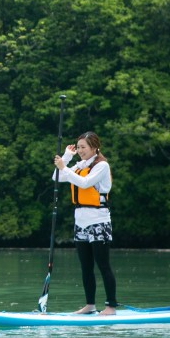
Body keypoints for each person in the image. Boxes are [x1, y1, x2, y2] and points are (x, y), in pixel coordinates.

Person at [54, 131, 117, 315]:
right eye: (78, 147)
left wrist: (64, 168)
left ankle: (110, 306)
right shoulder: (79, 165)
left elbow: (85, 183)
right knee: (85, 266)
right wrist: (66, 157)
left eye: (84, 147)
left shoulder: (102, 166)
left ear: (94, 147)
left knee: (103, 265)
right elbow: (56, 177)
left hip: (98, 221)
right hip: (80, 222)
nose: (80, 150)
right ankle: (90, 305)